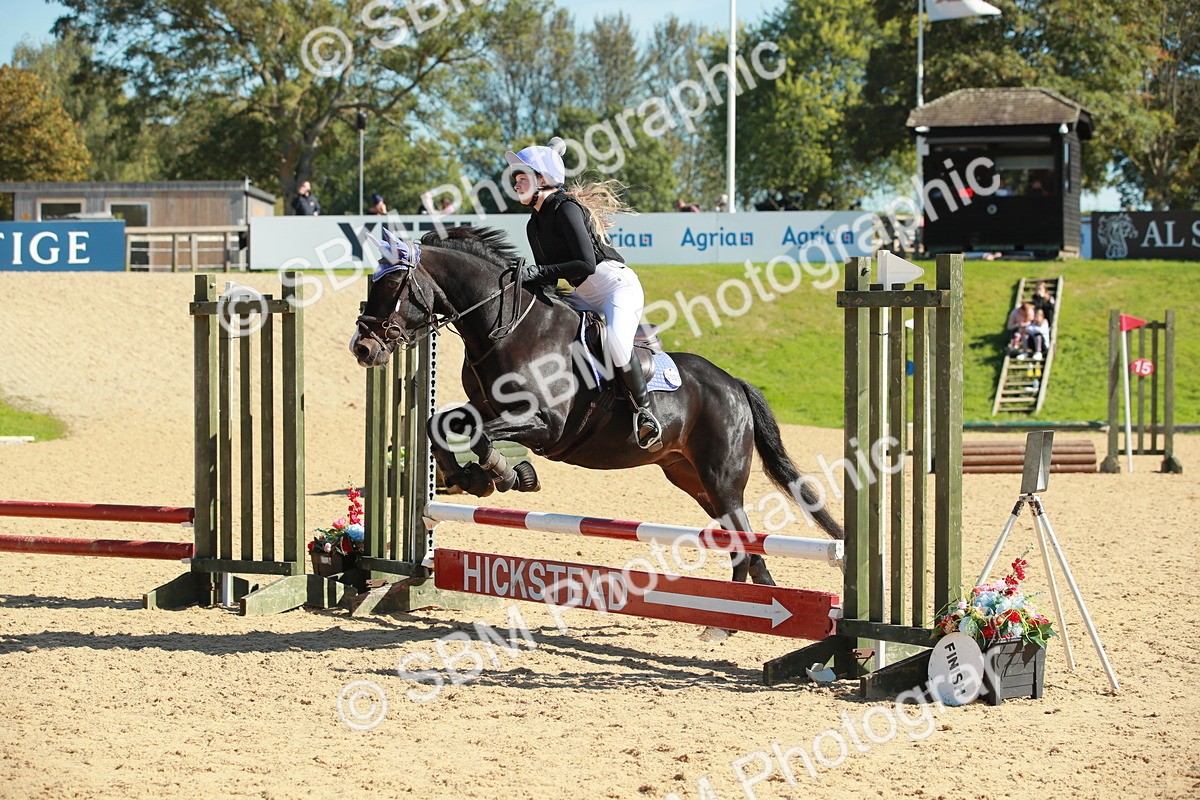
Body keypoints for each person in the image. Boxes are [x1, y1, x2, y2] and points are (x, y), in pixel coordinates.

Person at [505, 136, 662, 450]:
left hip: (615, 287)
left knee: (617, 345)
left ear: (543, 179)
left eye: (523, 177)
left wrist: (537, 273)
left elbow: (585, 263)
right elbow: (549, 279)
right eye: (516, 178)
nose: (517, 183)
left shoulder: (566, 209)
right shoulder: (533, 224)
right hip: (582, 293)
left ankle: (644, 413)